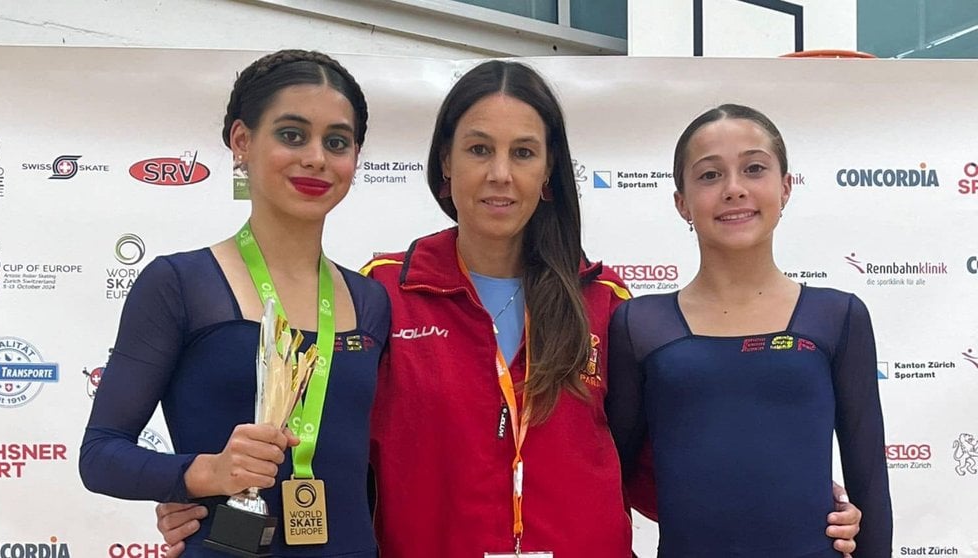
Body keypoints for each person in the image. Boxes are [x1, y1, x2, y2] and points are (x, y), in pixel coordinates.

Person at [155, 66, 866, 558]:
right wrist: (210, 501)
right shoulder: (380, 294)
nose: (501, 173)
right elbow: (321, 442)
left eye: (523, 152)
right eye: (479, 150)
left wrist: (793, 506)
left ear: (549, 173)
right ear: (445, 168)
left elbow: (649, 468)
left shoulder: (606, 304)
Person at [79, 49, 389, 558]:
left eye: (337, 141)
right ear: (242, 141)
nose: (316, 157)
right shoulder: (179, 284)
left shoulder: (371, 300)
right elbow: (101, 455)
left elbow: (378, 463)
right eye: (292, 134)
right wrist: (202, 474)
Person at [607, 104, 892, 557]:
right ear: (681, 202)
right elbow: (609, 482)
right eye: (709, 175)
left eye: (753, 168)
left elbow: (871, 486)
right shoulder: (639, 325)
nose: (734, 189)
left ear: (785, 188)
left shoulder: (837, 317)